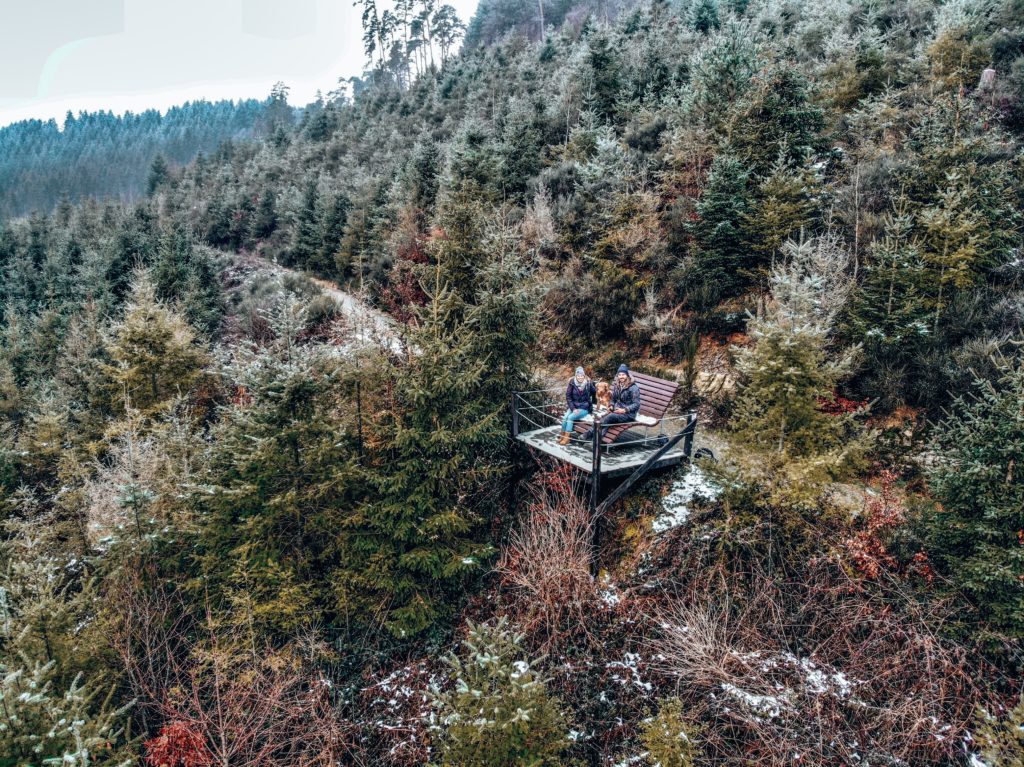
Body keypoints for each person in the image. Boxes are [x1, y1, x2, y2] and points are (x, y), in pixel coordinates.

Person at [580, 363, 640, 442]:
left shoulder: (633, 388)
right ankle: (596, 441)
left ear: (627, 375)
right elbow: (613, 399)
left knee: (609, 417)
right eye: (619, 374)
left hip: (628, 414)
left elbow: (637, 404)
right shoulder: (617, 385)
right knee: (604, 418)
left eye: (623, 374)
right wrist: (611, 405)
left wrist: (624, 410)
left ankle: (588, 434)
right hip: (616, 411)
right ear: (617, 376)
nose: (621, 376)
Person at [559, 366, 596, 445]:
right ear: (576, 376)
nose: (580, 377)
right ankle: (561, 436)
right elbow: (568, 397)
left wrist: (591, 382)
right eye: (578, 375)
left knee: (570, 417)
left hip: (584, 407)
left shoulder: (587, 383)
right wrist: (573, 408)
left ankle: (567, 438)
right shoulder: (572, 383)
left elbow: (594, 392)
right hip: (574, 406)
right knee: (565, 417)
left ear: (584, 376)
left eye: (582, 376)